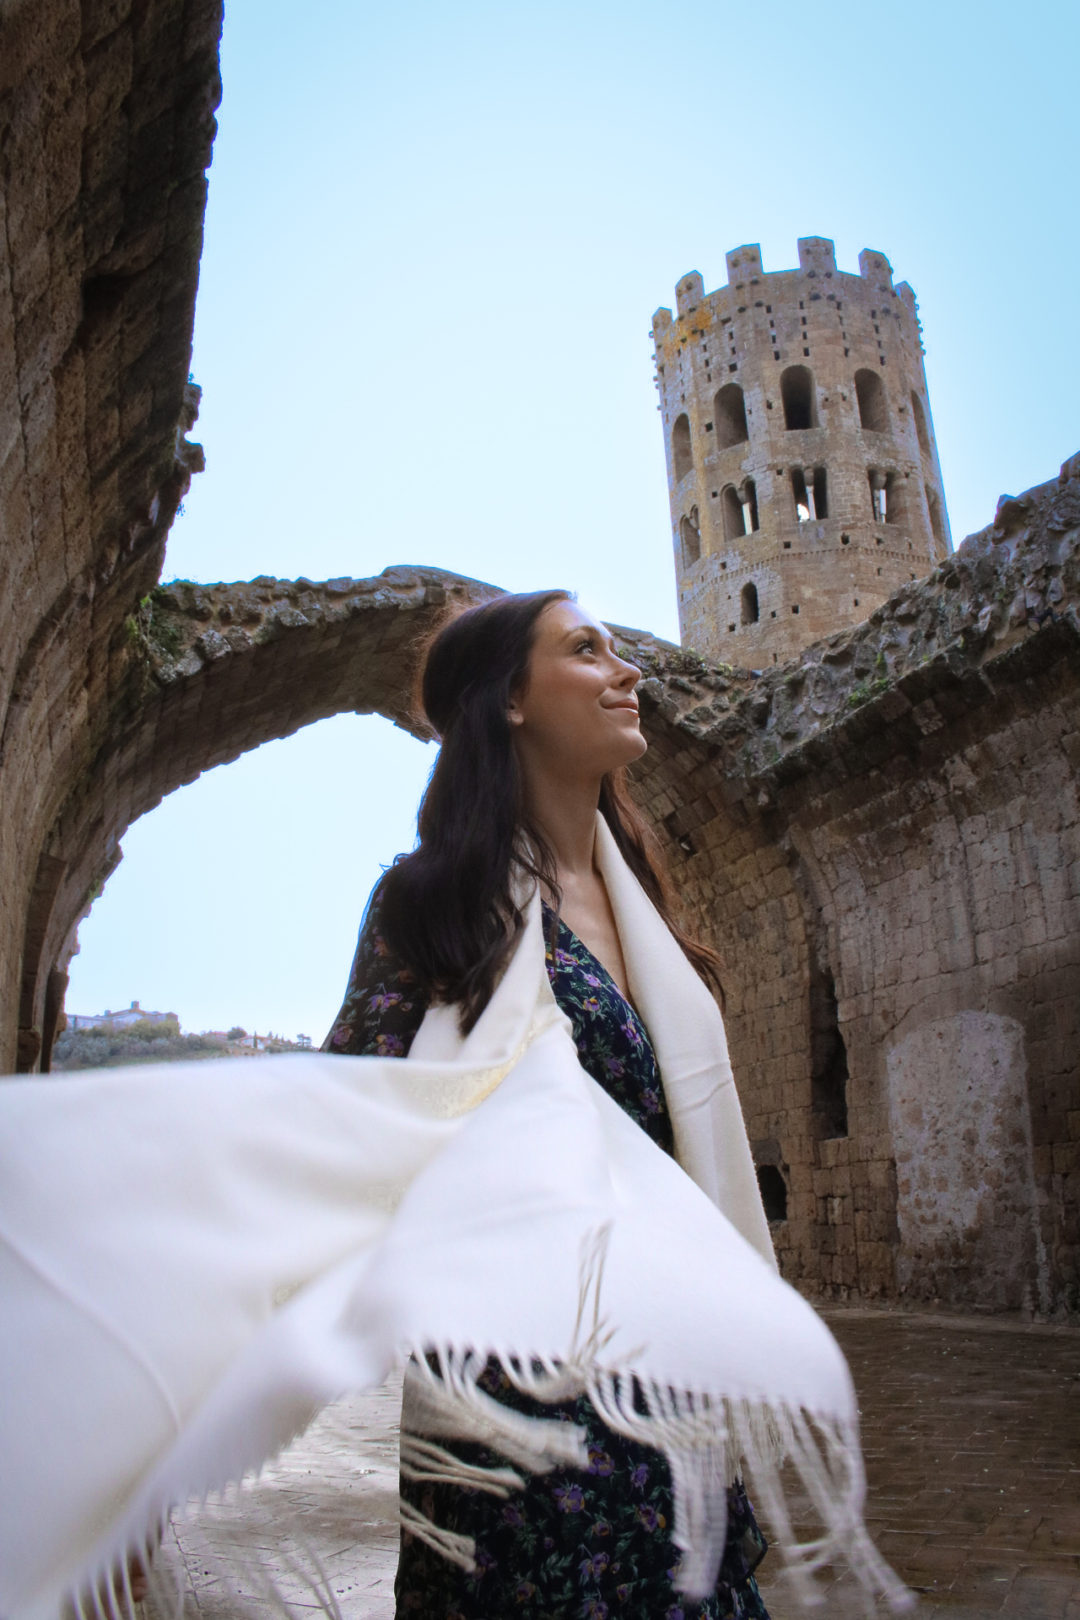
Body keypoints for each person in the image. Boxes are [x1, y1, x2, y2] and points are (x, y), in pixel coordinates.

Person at [324, 589, 772, 1620]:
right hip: (513, 1408)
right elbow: (361, 1119)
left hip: (669, 1376)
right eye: (587, 650)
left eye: (620, 648)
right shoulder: (430, 902)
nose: (628, 671)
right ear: (511, 702)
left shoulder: (647, 908)